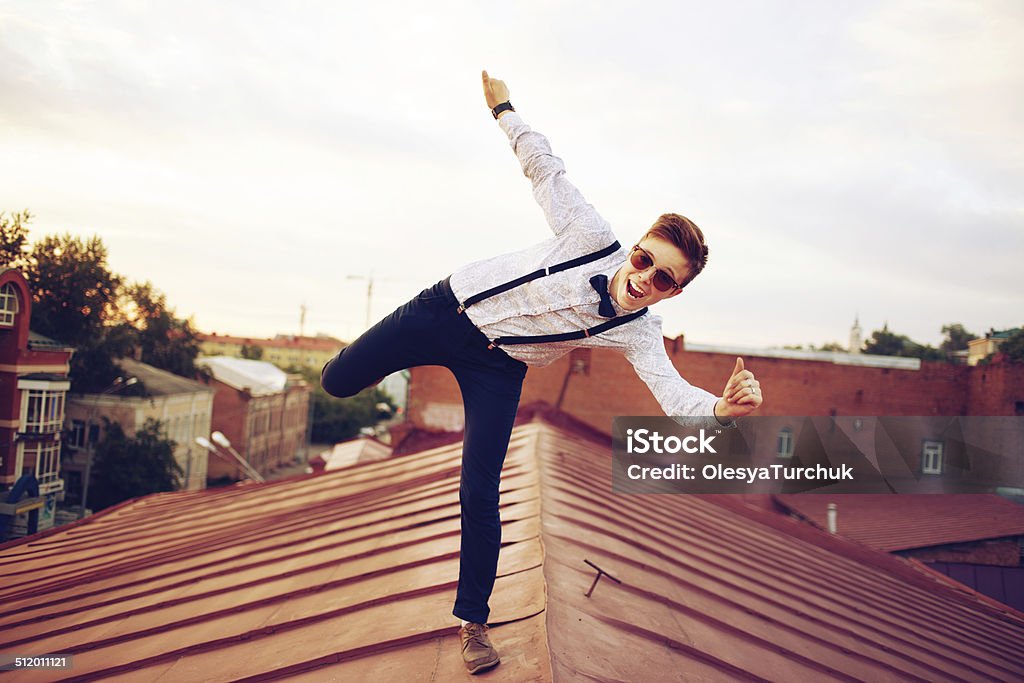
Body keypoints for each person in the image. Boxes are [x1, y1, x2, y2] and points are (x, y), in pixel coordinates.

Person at [321, 70, 764, 675]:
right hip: (444, 311)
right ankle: (367, 368)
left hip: (499, 369)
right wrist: (504, 108)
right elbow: (543, 168)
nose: (644, 279)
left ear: (674, 292)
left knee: (481, 490)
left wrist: (722, 409)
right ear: (633, 246)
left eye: (664, 279)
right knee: (337, 382)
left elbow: (674, 394)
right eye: (645, 260)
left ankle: (473, 621)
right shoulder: (589, 234)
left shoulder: (639, 330)